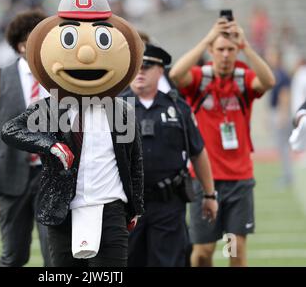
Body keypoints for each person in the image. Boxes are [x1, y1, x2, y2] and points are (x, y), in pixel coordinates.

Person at [1, 0, 144, 267]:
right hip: (63, 207)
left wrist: (135, 206)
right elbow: (11, 129)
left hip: (110, 205)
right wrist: (50, 145)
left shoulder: (121, 110)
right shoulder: (53, 107)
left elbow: (134, 161)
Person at [169, 17, 275, 267]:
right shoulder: (199, 79)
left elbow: (269, 81)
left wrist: (245, 45)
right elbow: (175, 74)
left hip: (239, 180)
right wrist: (207, 37)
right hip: (204, 181)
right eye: (220, 49)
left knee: (235, 250)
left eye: (230, 49)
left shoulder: (243, 79)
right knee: (204, 251)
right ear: (211, 51)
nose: (226, 55)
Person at [123, 43, 217, 267]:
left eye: (146, 66)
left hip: (168, 203)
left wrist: (210, 195)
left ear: (160, 70)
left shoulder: (178, 108)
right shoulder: (114, 107)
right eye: (135, 66)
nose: (140, 72)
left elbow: (198, 152)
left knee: (167, 263)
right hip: (126, 206)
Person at [0, 10, 52, 267]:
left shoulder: (61, 77)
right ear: (21, 45)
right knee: (13, 255)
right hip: (10, 178)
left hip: (53, 177)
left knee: (54, 255)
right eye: (37, 39)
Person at [266, 48, 293, 187]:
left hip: (280, 113)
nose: (269, 58)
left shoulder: (282, 74)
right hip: (276, 112)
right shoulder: (277, 73)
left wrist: (282, 115)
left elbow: (285, 95)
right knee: (281, 147)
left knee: (284, 147)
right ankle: (286, 175)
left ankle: (288, 176)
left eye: (272, 55)